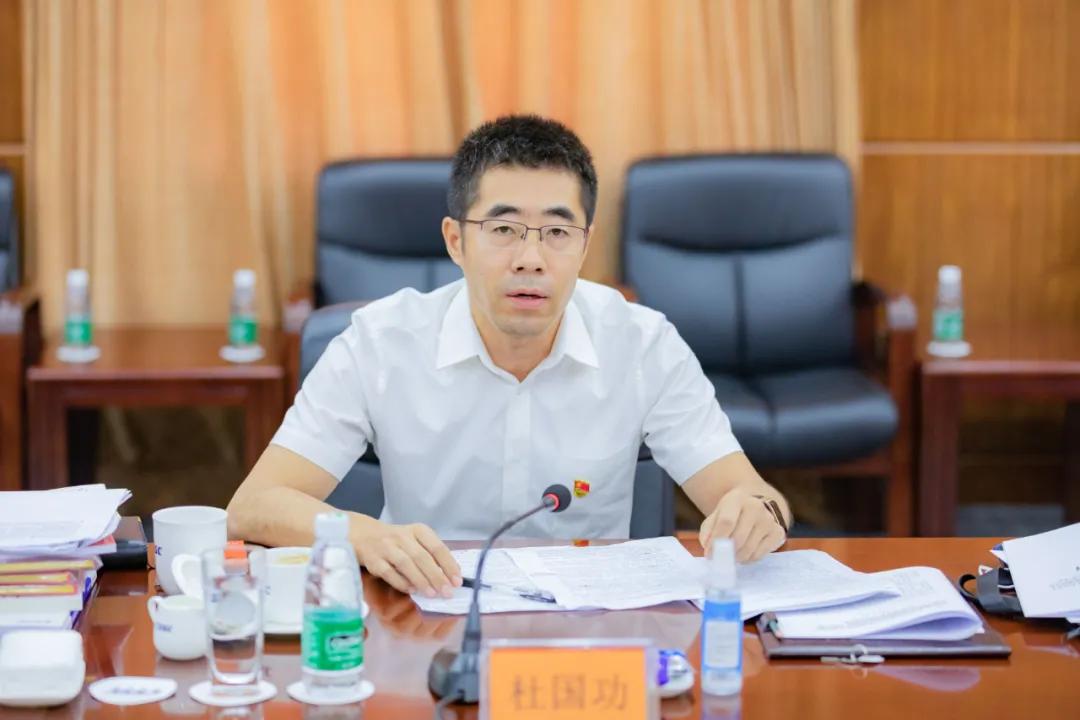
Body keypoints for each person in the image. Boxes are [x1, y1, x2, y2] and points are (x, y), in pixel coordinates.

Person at [227, 115, 791, 600]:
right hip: (426, 614)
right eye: (503, 228)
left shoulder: (643, 345)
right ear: (455, 241)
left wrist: (758, 515)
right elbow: (253, 506)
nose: (531, 258)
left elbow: (754, 497)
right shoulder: (379, 343)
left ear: (585, 244)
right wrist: (365, 536)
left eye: (557, 231)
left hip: (591, 632)